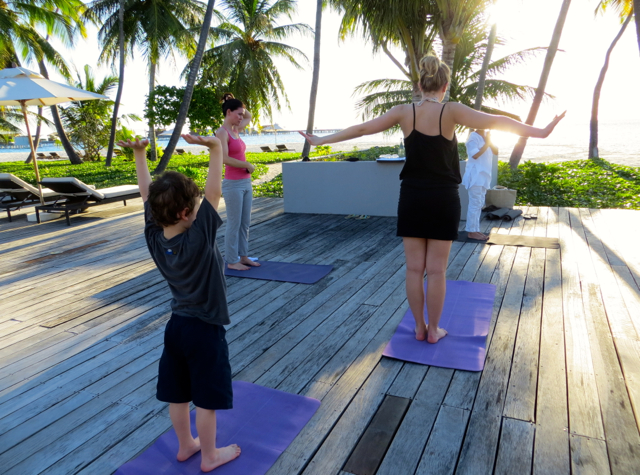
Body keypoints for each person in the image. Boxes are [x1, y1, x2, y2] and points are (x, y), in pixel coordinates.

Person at [300, 55, 565, 344]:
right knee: (437, 270)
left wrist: (321, 141)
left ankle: (418, 326)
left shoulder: (403, 112)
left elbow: (363, 129)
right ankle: (434, 330)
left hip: (412, 196)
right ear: (445, 86)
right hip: (443, 199)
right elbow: (497, 121)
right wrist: (539, 132)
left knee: (414, 268)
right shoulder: (450, 111)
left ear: (419, 85)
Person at [117, 135, 241, 472]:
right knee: (206, 399)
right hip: (204, 329)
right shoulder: (198, 240)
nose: (204, 207)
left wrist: (140, 156)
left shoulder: (154, 236)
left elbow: (148, 195)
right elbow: (214, 193)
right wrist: (217, 150)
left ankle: (186, 445)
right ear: (186, 214)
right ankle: (210, 455)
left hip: (177, 329)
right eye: (198, 207)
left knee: (178, 394)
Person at [215, 93, 260, 271]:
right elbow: (224, 158)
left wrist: (235, 102)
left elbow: (249, 116)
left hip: (245, 182)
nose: (242, 117)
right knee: (234, 223)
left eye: (241, 114)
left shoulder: (236, 129)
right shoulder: (222, 132)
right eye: (238, 113)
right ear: (228, 113)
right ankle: (232, 260)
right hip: (232, 184)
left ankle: (243, 256)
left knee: (245, 223)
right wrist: (246, 164)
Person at [463, 129, 498, 240]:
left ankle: (475, 230)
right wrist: (487, 142)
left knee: (479, 204)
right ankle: (472, 232)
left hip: (484, 176)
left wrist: (489, 141)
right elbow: (475, 155)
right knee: (475, 203)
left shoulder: (486, 137)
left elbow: (496, 151)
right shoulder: (473, 137)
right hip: (475, 176)